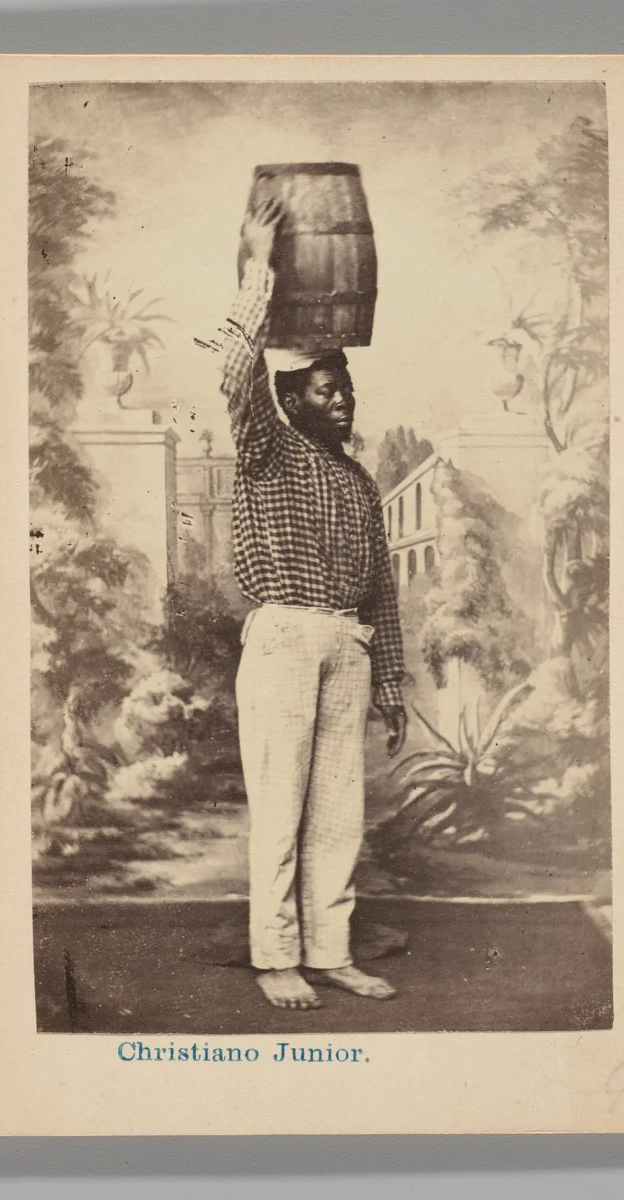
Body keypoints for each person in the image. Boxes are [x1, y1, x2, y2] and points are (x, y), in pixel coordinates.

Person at [211, 198, 407, 1011]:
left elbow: (382, 594)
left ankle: (330, 952)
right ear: (292, 401)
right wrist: (258, 268)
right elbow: (235, 373)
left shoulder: (360, 481)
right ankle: (276, 958)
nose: (341, 402)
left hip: (347, 646)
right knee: (282, 805)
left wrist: (391, 683)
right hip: (285, 640)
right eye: (325, 391)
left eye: (346, 391)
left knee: (337, 812)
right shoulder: (265, 448)